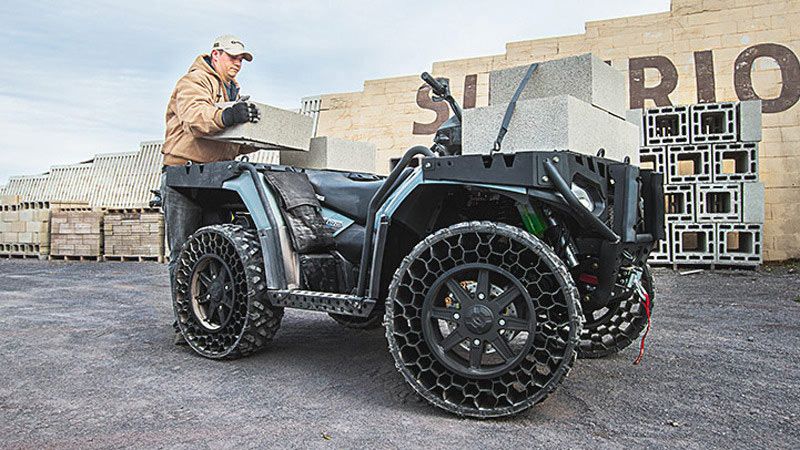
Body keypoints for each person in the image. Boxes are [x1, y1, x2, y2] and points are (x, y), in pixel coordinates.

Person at [160, 35, 261, 343]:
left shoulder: (233, 91)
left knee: (214, 249)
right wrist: (228, 115)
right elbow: (196, 119)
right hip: (185, 178)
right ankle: (186, 324)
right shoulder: (194, 81)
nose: (238, 63)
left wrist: (255, 134)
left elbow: (227, 139)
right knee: (185, 252)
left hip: (214, 178)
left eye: (242, 59)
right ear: (216, 54)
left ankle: (210, 317)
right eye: (233, 57)